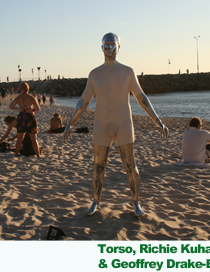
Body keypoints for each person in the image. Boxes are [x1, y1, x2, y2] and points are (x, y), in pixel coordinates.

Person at [63, 32, 168, 217]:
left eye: (112, 45)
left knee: (130, 165)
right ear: (101, 47)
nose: (109, 48)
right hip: (101, 123)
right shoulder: (94, 74)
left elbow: (141, 97)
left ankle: (136, 203)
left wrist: (157, 121)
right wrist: (70, 123)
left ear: (118, 47)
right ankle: (95, 201)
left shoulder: (127, 72)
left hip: (123, 122)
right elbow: (83, 101)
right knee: (98, 165)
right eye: (106, 45)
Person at [9, 82, 41, 157]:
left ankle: (16, 154)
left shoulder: (18, 98)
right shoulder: (31, 97)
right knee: (33, 139)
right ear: (28, 89)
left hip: (21, 117)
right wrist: (32, 110)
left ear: (21, 89)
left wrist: (19, 108)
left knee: (20, 138)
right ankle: (38, 155)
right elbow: (38, 108)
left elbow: (11, 106)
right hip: (30, 117)